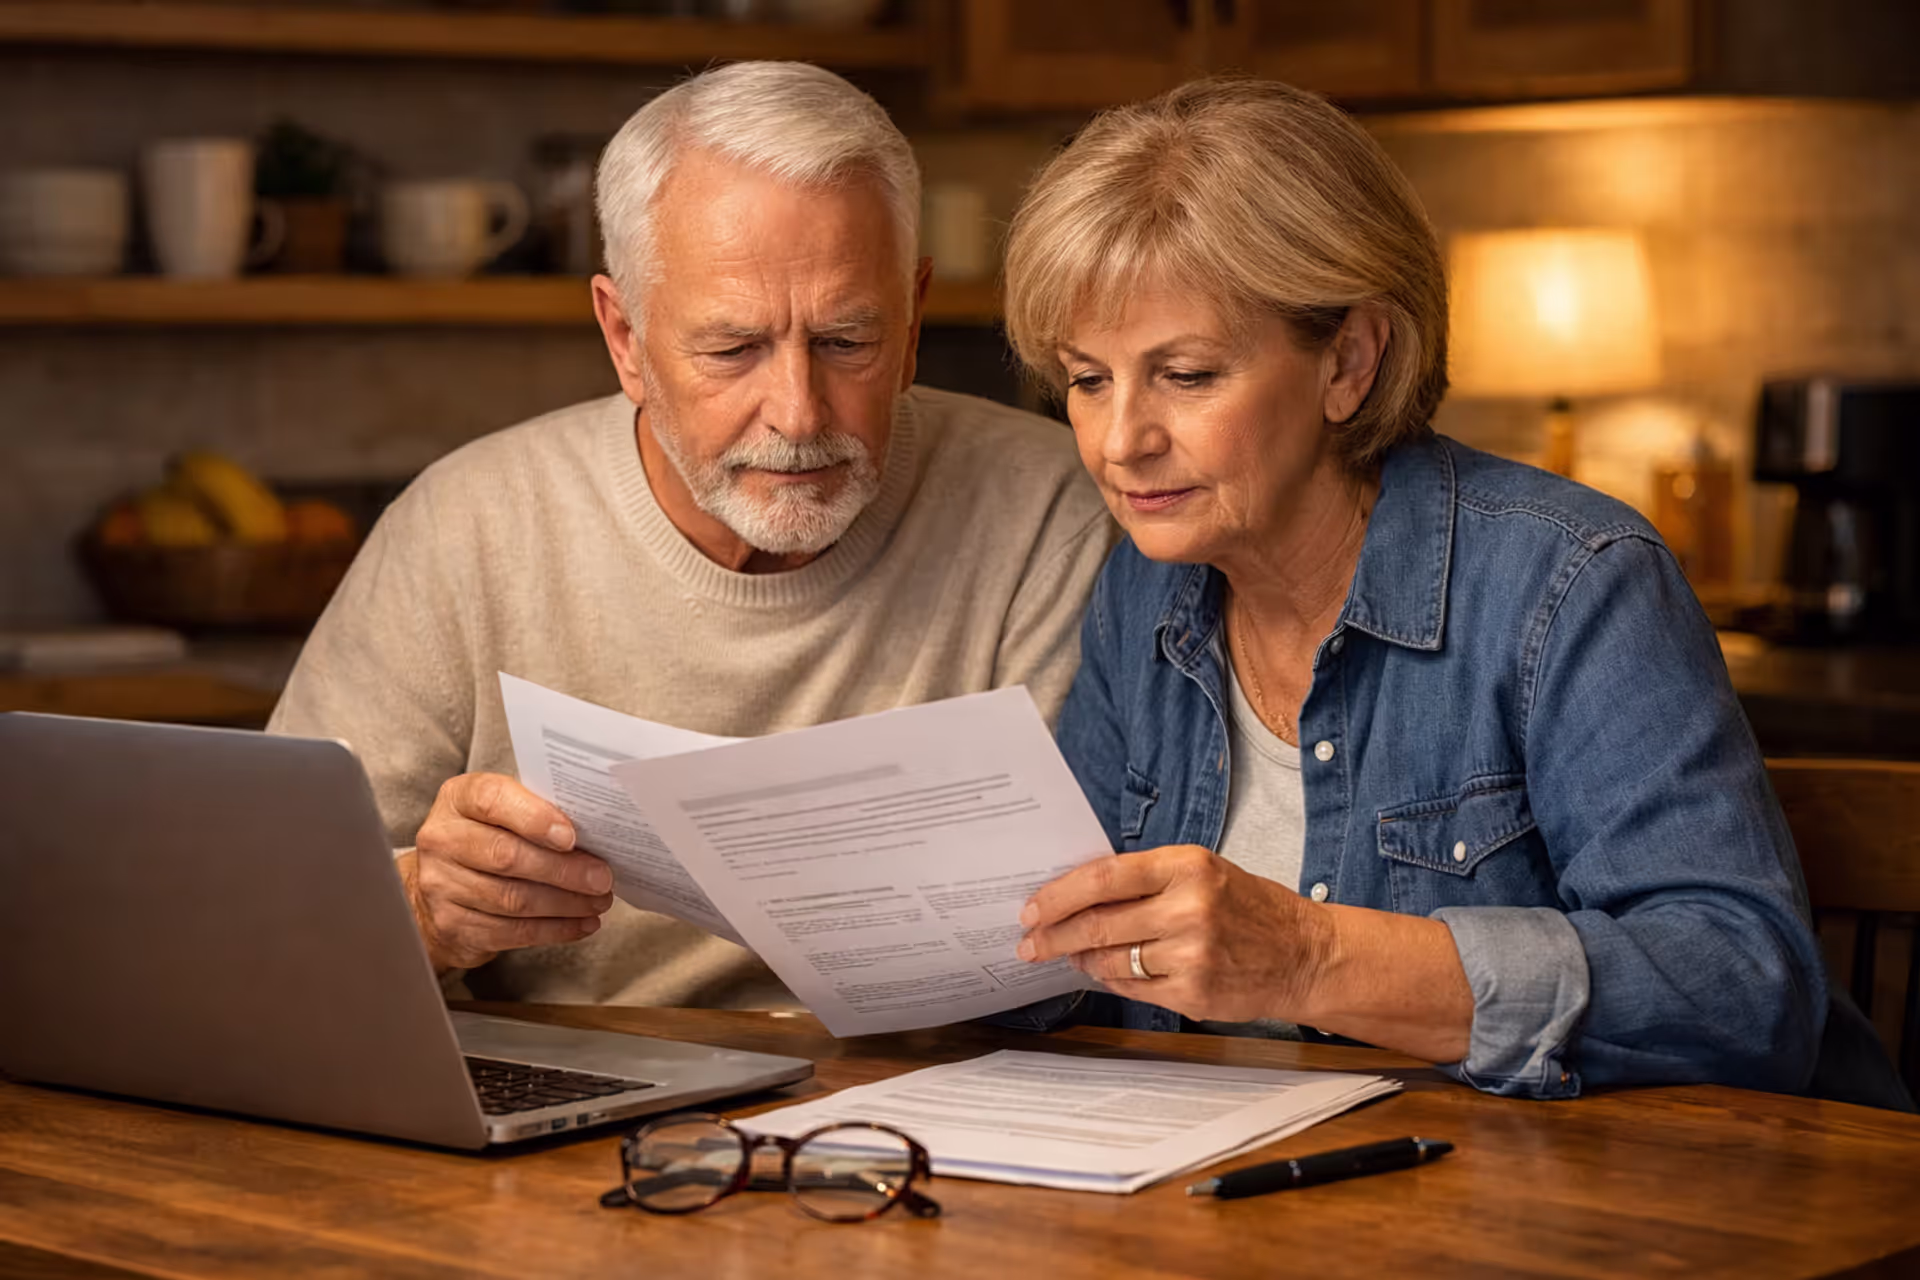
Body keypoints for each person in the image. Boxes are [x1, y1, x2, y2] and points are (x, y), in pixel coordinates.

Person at [1000, 77, 1909, 1108]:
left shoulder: (1571, 578)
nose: (1121, 442)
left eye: (1188, 375)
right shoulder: (1147, 586)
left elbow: (1747, 990)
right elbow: (1071, 956)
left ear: (1349, 359)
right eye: (1087, 379)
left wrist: (1309, 955)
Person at [269, 61, 1113, 1011]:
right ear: (624, 337)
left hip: (942, 1102)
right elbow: (261, 925)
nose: (797, 415)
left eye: (847, 341)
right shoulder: (466, 526)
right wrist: (425, 911)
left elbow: (1088, 936)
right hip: (584, 1106)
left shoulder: (1053, 508)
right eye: (731, 350)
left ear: (914, 321)